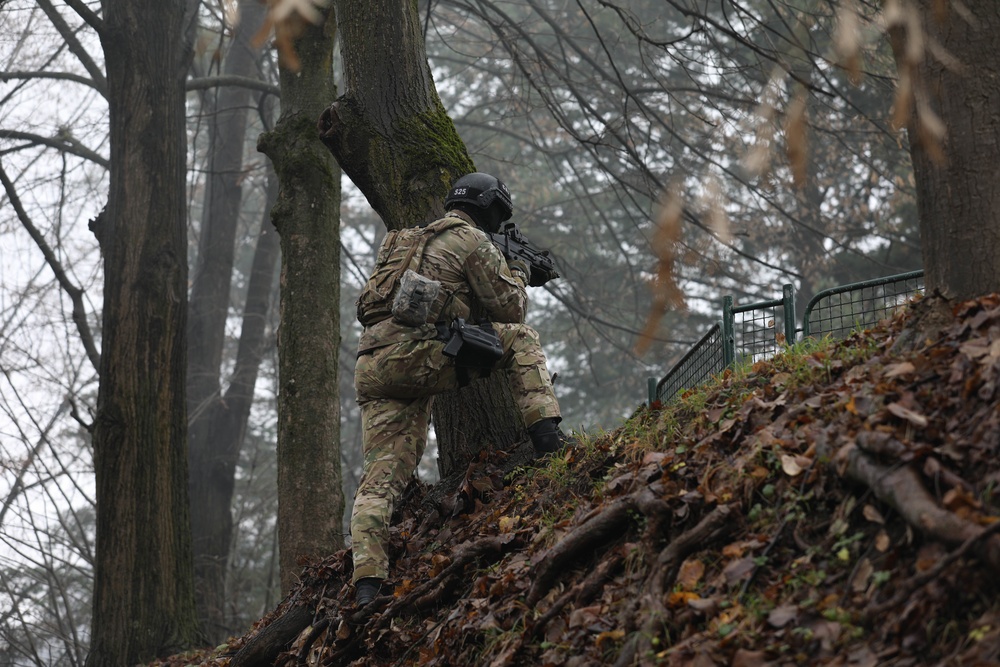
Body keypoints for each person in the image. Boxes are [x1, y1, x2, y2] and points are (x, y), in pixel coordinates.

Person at [349, 172, 567, 607]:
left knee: (380, 480)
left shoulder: (407, 241)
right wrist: (520, 270)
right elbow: (512, 308)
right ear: (490, 209)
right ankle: (549, 442)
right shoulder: (470, 241)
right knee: (521, 341)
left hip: (373, 365)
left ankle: (367, 586)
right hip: (416, 356)